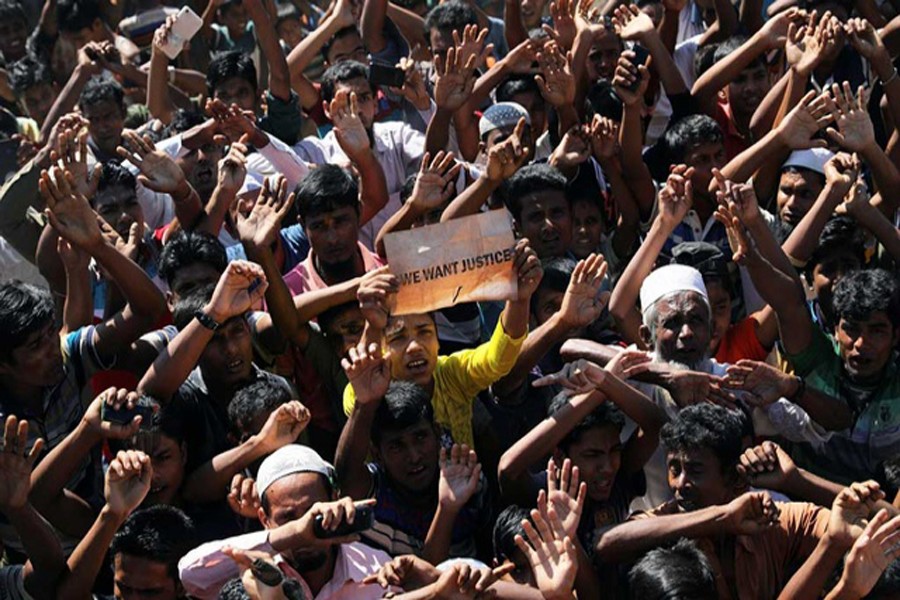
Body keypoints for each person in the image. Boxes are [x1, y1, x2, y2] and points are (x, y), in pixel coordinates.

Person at [178, 444, 393, 599]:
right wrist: (293, 534)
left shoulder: (375, 570)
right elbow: (190, 574)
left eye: (313, 513)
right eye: (288, 518)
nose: (305, 526)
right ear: (264, 519)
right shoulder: (252, 570)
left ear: (333, 501)